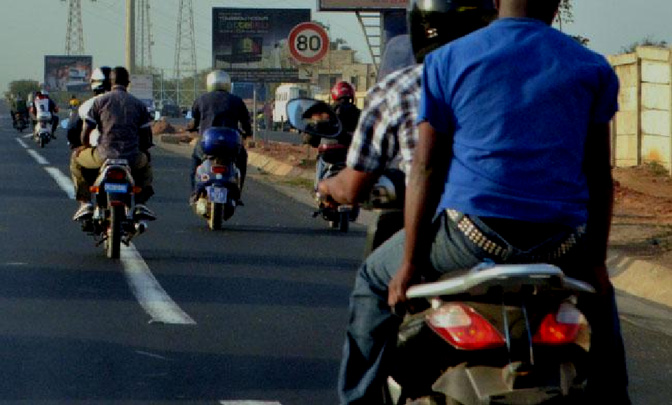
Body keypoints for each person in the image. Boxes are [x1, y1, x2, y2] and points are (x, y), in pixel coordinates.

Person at [338, 1, 631, 404]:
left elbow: (426, 168)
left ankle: (359, 399)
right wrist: (595, 263)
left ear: (494, 2)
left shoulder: (447, 60)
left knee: (373, 279)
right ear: (558, 4)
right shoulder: (592, 67)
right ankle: (615, 396)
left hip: (470, 237)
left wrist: (409, 263)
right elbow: (600, 178)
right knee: (600, 300)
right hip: (558, 243)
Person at [318, 0, 495, 250]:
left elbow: (356, 186)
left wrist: (328, 187)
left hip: (456, 233)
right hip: (541, 235)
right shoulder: (516, 83)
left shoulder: (402, 88)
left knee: (371, 282)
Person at [70, 66, 155, 221]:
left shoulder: (99, 102)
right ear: (128, 83)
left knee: (76, 159)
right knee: (146, 163)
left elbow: (86, 131)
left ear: (110, 82)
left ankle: (85, 202)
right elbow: (146, 137)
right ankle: (141, 203)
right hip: (131, 157)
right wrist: (144, 150)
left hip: (103, 155)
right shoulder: (138, 104)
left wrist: (84, 146)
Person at [189, 69, 252, 202]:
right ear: (227, 84)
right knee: (242, 160)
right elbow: (246, 122)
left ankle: (195, 192)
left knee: (195, 159)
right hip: (230, 145)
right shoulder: (236, 100)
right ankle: (238, 192)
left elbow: (194, 121)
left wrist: (191, 128)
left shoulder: (201, 100)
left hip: (208, 144)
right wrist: (247, 133)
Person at [67, 66, 112, 149]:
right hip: (128, 152)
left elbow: (72, 128)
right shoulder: (130, 102)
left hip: (98, 151)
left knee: (76, 157)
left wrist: (76, 144)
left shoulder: (88, 104)